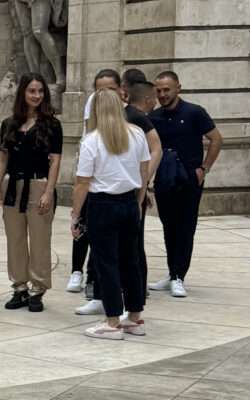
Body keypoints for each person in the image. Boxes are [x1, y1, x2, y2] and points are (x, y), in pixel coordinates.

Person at [70, 87, 152, 340]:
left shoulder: (92, 140)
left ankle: (113, 320)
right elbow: (144, 171)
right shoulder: (137, 134)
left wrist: (75, 215)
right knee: (131, 261)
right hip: (129, 202)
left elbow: (83, 182)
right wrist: (138, 201)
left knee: (106, 263)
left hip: (103, 205)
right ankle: (135, 316)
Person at [0, 73, 63, 313]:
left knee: (40, 241)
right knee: (15, 239)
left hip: (39, 184)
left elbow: (55, 161)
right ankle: (19, 287)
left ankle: (37, 289)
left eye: (40, 91)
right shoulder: (9, 124)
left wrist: (48, 192)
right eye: (32, 91)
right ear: (23, 93)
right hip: (13, 187)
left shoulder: (52, 124)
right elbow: (2, 159)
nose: (37, 96)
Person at [149, 70, 221, 296]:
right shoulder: (154, 117)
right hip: (164, 179)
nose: (162, 94)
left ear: (178, 88)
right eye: (158, 91)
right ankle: (172, 272)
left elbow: (216, 139)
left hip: (189, 179)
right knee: (168, 226)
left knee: (186, 227)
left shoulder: (194, 112)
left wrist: (204, 168)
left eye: (166, 90)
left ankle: (180, 275)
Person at [66, 69, 121, 295]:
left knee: (105, 239)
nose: (104, 94)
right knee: (83, 226)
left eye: (110, 89)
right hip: (91, 175)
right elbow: (88, 131)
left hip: (111, 185)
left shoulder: (130, 123)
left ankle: (94, 279)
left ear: (120, 90)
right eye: (100, 89)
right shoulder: (92, 108)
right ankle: (76, 270)